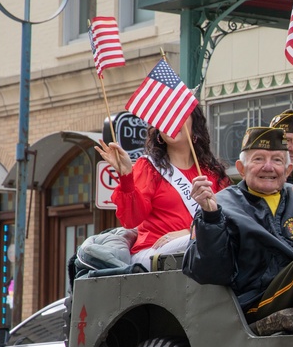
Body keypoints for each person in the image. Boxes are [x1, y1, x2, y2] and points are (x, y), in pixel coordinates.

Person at [184, 126, 293, 336]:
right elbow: (211, 271)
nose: (268, 167)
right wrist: (211, 217)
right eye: (259, 159)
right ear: (241, 168)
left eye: (277, 160)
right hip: (255, 301)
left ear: (288, 171)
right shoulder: (220, 205)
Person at [94, 105, 229, 271]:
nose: (171, 121)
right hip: (153, 253)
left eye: (179, 114)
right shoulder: (149, 167)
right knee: (207, 239)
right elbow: (131, 220)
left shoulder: (213, 174)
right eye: (165, 117)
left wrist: (190, 232)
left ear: (196, 126)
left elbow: (228, 220)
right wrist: (126, 176)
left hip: (196, 251)